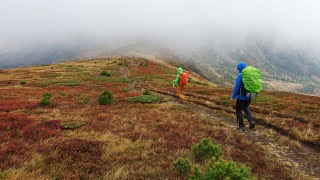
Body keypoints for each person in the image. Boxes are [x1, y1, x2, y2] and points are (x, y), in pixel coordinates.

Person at [231, 62, 255, 130]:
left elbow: (237, 86)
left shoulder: (240, 76)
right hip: (249, 96)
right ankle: (251, 121)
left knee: (239, 111)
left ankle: (241, 126)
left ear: (239, 69)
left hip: (241, 97)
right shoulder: (250, 75)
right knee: (245, 108)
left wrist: (233, 96)